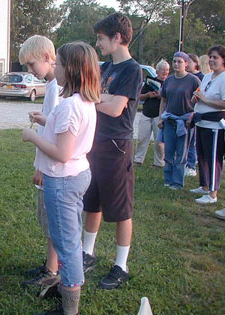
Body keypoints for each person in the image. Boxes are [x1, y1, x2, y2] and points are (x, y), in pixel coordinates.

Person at [22, 40, 99, 315]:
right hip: (77, 175)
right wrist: (46, 122)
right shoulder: (84, 101)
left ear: (73, 70)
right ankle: (68, 291)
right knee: (69, 239)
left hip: (63, 179)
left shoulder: (69, 106)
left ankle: (70, 308)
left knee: (67, 246)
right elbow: (68, 136)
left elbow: (62, 153)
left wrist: (32, 136)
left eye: (61, 64)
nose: (56, 67)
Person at [82, 12, 142, 290]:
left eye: (101, 38)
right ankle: (88, 252)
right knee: (91, 202)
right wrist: (101, 98)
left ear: (117, 38)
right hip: (94, 143)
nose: (98, 44)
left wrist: (97, 99)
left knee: (120, 209)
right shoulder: (105, 68)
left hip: (117, 147)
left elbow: (116, 109)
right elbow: (92, 94)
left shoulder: (132, 69)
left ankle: (121, 265)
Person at [18, 35, 62, 292]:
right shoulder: (51, 87)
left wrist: (41, 168)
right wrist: (43, 117)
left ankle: (53, 270)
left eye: (32, 64)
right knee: (46, 220)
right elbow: (52, 123)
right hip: (48, 166)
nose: (30, 70)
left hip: (52, 169)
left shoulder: (57, 88)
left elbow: (55, 136)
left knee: (52, 222)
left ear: (47, 58)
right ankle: (50, 265)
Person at [188, 45, 225, 208]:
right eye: (210, 57)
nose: (211, 60)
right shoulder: (207, 77)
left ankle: (212, 193)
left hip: (215, 125)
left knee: (213, 158)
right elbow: (200, 94)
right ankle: (204, 185)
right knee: (201, 156)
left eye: (215, 57)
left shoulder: (224, 78)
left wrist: (206, 100)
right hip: (201, 121)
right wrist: (196, 99)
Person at [158, 52, 200, 189]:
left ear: (186, 63)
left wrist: (192, 116)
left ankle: (177, 182)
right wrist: (161, 117)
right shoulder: (169, 80)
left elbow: (200, 101)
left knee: (181, 153)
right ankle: (168, 179)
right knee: (168, 151)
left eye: (179, 62)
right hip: (170, 120)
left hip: (185, 122)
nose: (176, 64)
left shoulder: (193, 80)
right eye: (174, 61)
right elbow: (163, 100)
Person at [134, 59, 169, 167]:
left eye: (167, 70)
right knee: (142, 138)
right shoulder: (150, 82)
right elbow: (139, 96)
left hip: (159, 114)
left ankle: (159, 162)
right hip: (146, 112)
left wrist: (161, 97)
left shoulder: (169, 83)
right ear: (157, 71)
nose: (164, 72)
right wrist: (148, 95)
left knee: (159, 141)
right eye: (162, 70)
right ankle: (138, 160)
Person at [185, 53, 204, 176]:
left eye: (189, 62)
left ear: (196, 63)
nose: (187, 64)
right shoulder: (185, 77)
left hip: (195, 113)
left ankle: (191, 166)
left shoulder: (201, 77)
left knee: (192, 141)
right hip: (185, 112)